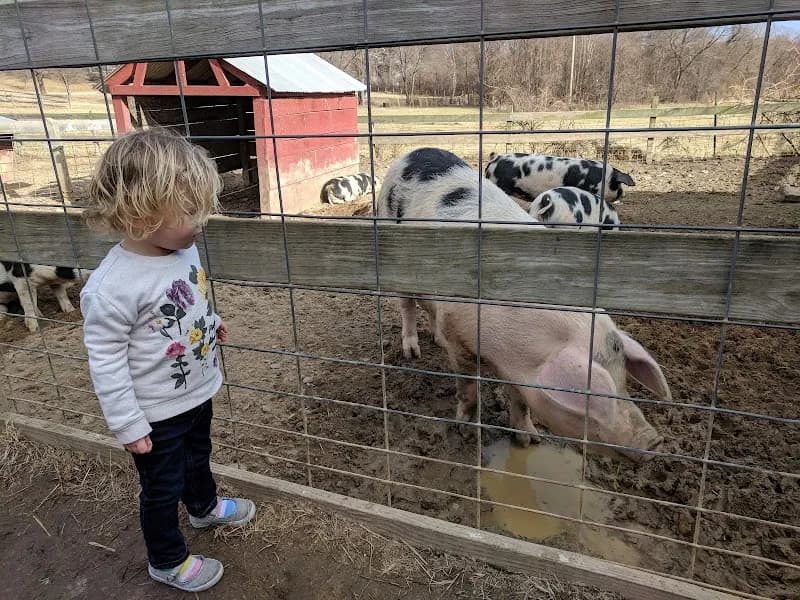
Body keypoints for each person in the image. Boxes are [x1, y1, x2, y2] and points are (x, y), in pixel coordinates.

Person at [80, 128, 255, 592]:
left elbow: (188, 299)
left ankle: (203, 508)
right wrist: (128, 424)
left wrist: (210, 321)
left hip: (196, 391)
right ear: (140, 209)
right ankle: (167, 559)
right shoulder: (111, 287)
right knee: (160, 488)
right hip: (155, 414)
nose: (204, 219)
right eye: (191, 209)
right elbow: (106, 360)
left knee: (200, 456)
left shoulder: (183, 248)